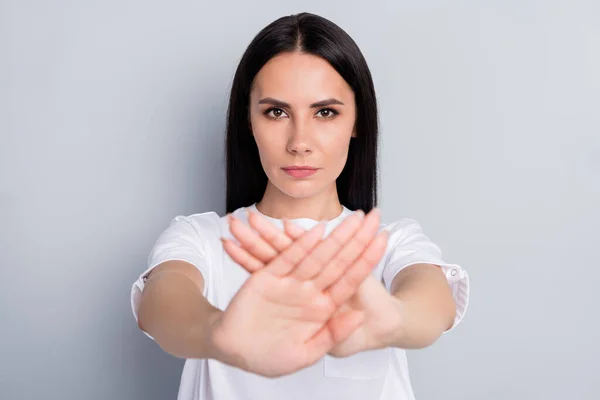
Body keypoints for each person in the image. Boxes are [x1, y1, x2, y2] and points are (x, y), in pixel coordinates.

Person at [131, 12, 470, 400]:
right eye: (276, 112)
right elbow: (162, 304)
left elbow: (433, 304)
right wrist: (218, 333)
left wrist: (392, 321)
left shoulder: (391, 243)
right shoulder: (201, 238)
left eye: (325, 112)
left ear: (357, 120)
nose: (299, 141)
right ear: (248, 120)